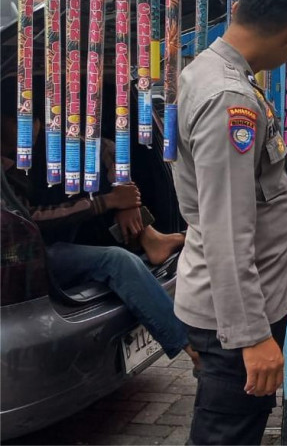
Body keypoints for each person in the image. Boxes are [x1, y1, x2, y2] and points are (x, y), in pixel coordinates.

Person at [172, 0, 287, 445]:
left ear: (236, 11)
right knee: (226, 435)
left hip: (232, 308)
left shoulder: (211, 71)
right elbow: (227, 229)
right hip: (234, 319)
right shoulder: (230, 99)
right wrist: (251, 336)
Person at [0, 86, 195, 365]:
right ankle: (190, 349)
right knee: (117, 260)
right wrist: (106, 202)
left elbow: (103, 146)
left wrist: (125, 199)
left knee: (91, 179)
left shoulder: (42, 147)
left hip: (61, 239)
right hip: (34, 253)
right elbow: (30, 218)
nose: (31, 129)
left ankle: (150, 237)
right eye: (19, 121)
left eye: (35, 120)